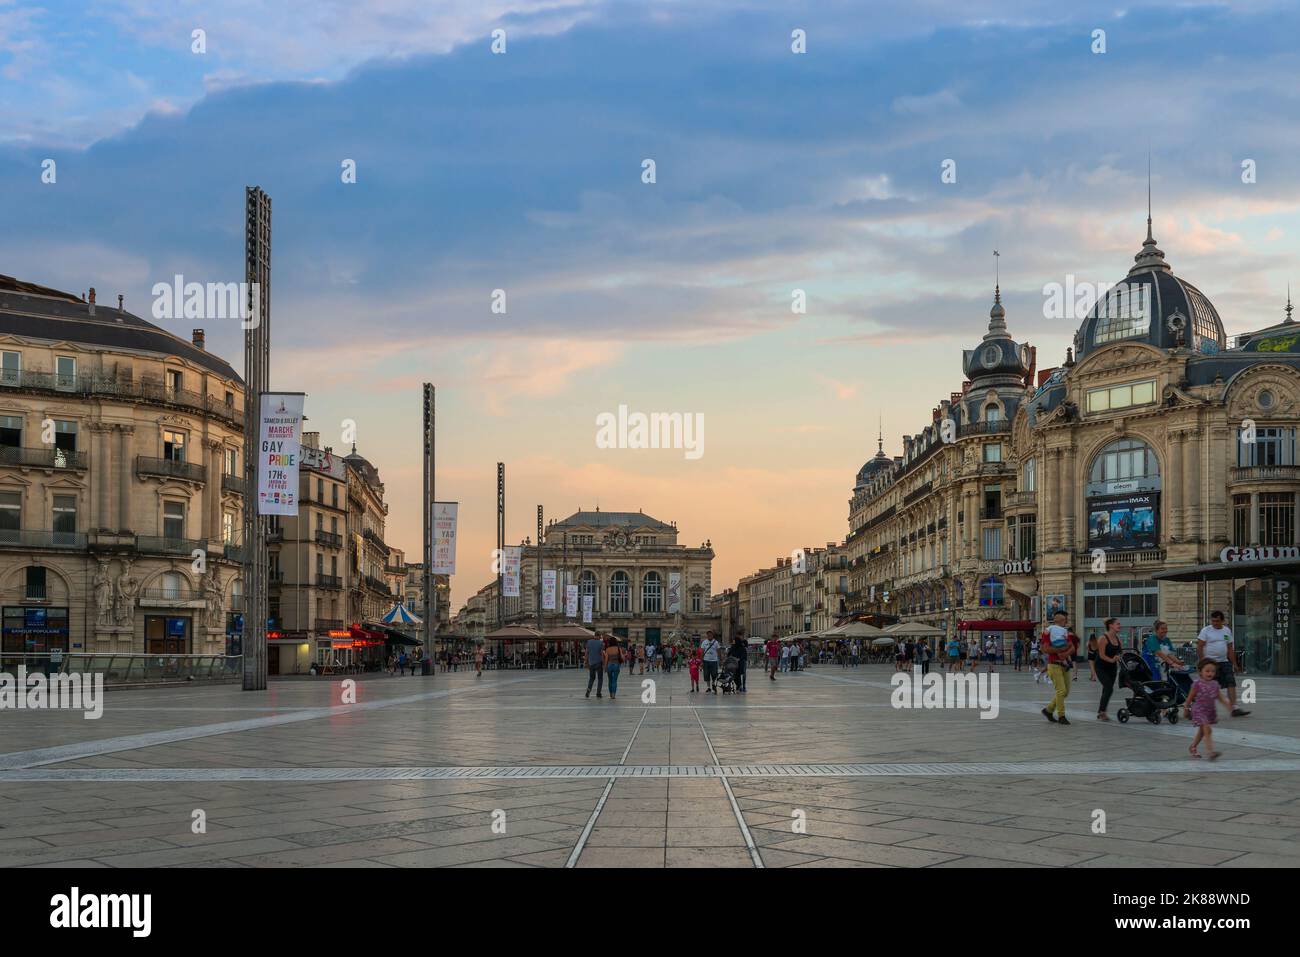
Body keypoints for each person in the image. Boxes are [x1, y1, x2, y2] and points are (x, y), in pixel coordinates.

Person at [1197, 611, 1250, 717]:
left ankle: (1234, 708)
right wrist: (1203, 661)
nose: (1214, 623)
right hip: (1210, 663)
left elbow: (1230, 648)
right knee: (1208, 686)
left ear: (1222, 621)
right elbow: (1200, 646)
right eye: (1213, 621)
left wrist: (1234, 663)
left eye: (1217, 621)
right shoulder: (1206, 630)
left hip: (1224, 661)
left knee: (1231, 682)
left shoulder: (1226, 631)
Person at [1184, 658, 1230, 760]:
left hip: (1209, 711)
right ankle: (1210, 752)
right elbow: (1189, 698)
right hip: (1199, 710)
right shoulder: (1197, 684)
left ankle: (1193, 746)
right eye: (1207, 671)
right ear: (1200, 671)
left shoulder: (1215, 684)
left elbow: (1220, 697)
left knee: (1202, 731)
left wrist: (1228, 705)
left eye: (1213, 671)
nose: (1210, 673)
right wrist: (1186, 709)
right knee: (1207, 729)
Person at [1040, 611, 1077, 725]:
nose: (1065, 622)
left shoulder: (1065, 632)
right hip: (1054, 664)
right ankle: (1061, 716)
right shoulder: (1048, 632)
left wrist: (1065, 654)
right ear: (1058, 621)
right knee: (1061, 691)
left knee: (1065, 692)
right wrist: (1061, 651)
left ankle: (1048, 710)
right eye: (1064, 620)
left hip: (1064, 665)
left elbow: (1072, 647)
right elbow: (1045, 649)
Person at [1095, 617, 1123, 721]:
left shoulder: (1118, 639)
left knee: (1106, 689)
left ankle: (1101, 711)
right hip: (1101, 667)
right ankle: (1102, 712)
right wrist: (1112, 660)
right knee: (1108, 688)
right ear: (1111, 625)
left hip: (1112, 668)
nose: (1120, 626)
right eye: (1118, 624)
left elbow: (1120, 652)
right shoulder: (1103, 638)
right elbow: (1101, 655)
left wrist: (1120, 656)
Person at [585, 632, 606, 699]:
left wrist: (586, 662)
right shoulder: (600, 643)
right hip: (598, 662)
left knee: (591, 678)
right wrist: (603, 663)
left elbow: (586, 653)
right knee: (600, 679)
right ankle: (598, 693)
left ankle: (588, 690)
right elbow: (601, 654)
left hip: (591, 663)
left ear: (594, 636)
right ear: (599, 636)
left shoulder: (589, 642)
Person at [604, 635, 624, 701]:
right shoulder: (618, 648)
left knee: (610, 680)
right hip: (616, 665)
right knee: (614, 680)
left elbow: (606, 659)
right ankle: (613, 695)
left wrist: (605, 667)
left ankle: (610, 694)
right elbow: (622, 657)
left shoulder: (607, 649)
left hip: (609, 665)